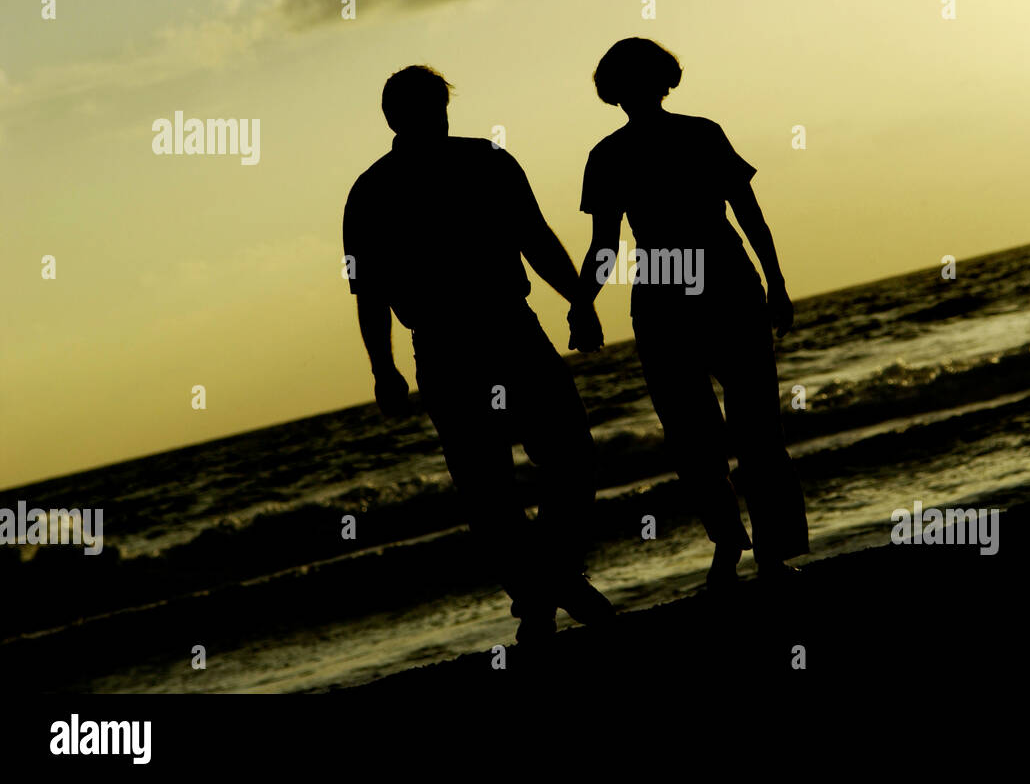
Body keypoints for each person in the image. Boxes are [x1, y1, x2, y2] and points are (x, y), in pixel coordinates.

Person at [343, 64, 614, 642]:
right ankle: (547, 591)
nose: (432, 119)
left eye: (435, 108)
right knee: (498, 484)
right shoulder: (373, 192)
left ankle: (547, 587)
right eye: (423, 110)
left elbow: (535, 237)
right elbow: (369, 290)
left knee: (557, 463)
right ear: (397, 118)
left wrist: (579, 300)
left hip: (499, 333)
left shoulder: (478, 163)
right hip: (457, 343)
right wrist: (382, 367)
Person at [571, 38, 809, 589]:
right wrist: (774, 281)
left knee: (704, 433)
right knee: (731, 432)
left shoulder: (634, 149)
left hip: (686, 289)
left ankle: (743, 549)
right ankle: (751, 549)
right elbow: (748, 216)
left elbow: (606, 244)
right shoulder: (676, 138)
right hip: (705, 286)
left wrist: (775, 282)